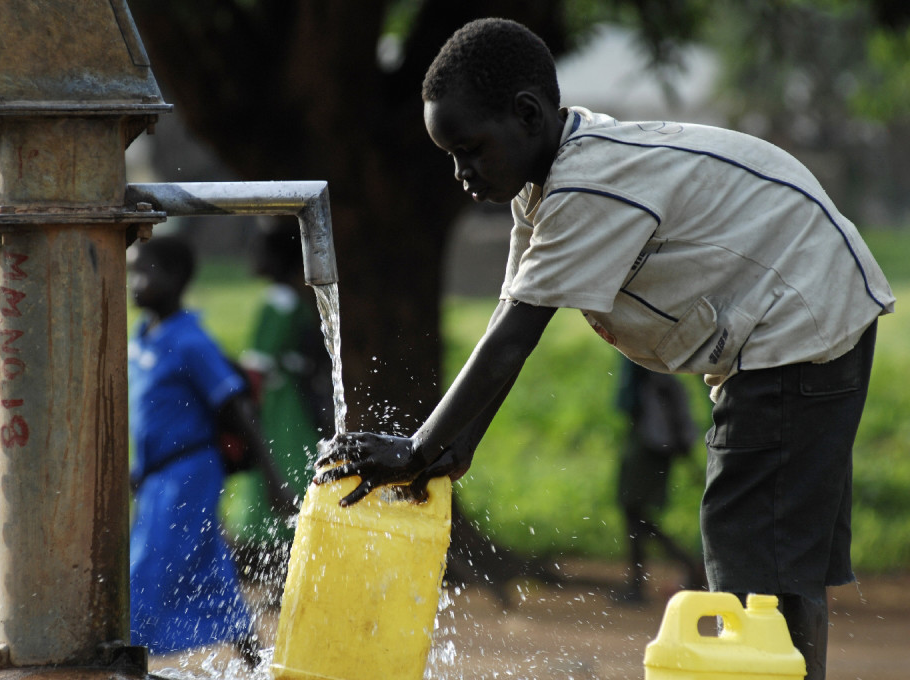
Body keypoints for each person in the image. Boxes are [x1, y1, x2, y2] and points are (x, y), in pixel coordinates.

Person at [313, 17, 895, 680]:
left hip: (801, 319)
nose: (460, 172)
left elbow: (514, 339)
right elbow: (510, 313)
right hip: (807, 310)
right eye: (450, 156)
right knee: (776, 559)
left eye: (470, 149)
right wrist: (455, 451)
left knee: (752, 555)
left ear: (527, 115)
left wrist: (417, 450)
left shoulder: (588, 185)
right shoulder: (545, 189)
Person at [126, 234, 289, 668]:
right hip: (158, 474)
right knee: (209, 568)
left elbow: (236, 408)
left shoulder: (190, 341)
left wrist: (272, 479)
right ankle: (255, 662)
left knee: (145, 568)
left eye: (145, 272)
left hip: (188, 472)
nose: (134, 282)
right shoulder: (143, 338)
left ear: (178, 279)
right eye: (131, 272)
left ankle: (125, 662)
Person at [225, 220, 332, 583]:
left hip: (277, 403)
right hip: (295, 399)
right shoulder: (297, 298)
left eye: (260, 249)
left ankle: (276, 564)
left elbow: (258, 363)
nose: (252, 256)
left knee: (277, 467)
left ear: (279, 257)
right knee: (295, 464)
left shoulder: (278, 301)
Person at [614, 358, 704, 603]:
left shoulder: (651, 372)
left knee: (634, 513)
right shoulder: (649, 374)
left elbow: (670, 419)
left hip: (650, 447)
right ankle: (642, 580)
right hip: (645, 443)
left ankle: (641, 582)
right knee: (634, 514)